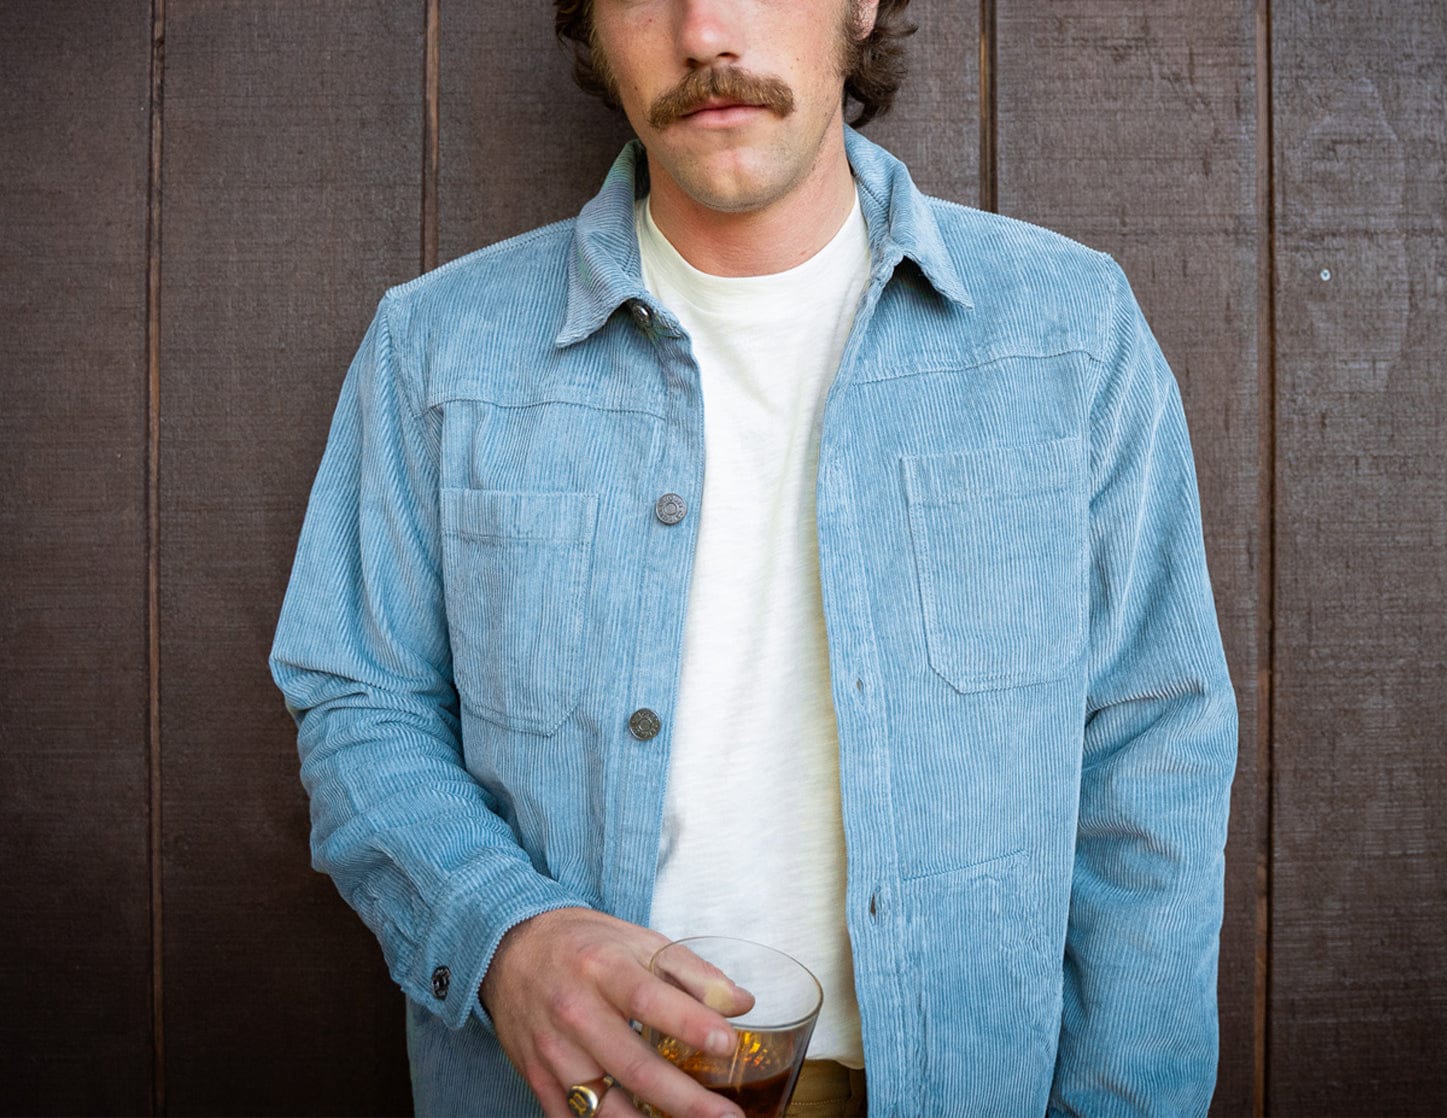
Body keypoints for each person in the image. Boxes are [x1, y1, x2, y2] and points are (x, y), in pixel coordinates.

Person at [270, 0, 1238, 1114]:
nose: (704, 31)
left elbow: (1153, 750)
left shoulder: (1069, 335)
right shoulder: (437, 350)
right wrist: (503, 935)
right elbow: (359, 699)